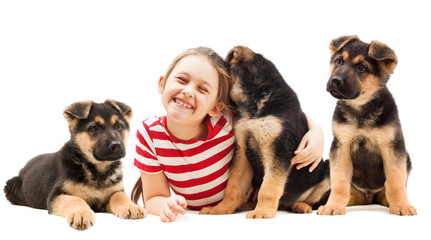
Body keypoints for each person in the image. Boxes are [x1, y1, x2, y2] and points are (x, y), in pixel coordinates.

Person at [131, 47, 324, 222]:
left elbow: (286, 113)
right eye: (182, 80)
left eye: (202, 89)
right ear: (161, 83)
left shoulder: (226, 122)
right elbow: (153, 197)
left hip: (247, 204)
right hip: (197, 218)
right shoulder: (150, 134)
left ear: (216, 107)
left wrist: (317, 132)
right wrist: (164, 205)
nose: (188, 91)